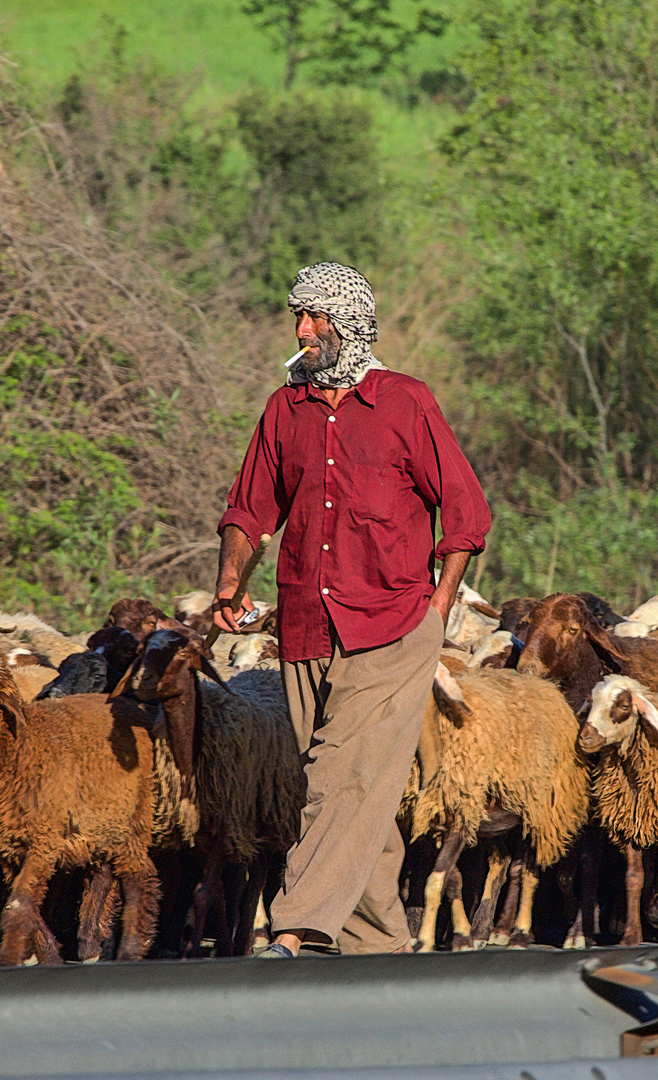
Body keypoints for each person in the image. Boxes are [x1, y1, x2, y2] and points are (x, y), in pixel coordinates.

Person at [213, 262, 491, 956]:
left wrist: (440, 606)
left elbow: (466, 512)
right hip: (307, 624)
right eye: (298, 318)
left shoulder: (405, 402)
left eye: (316, 318)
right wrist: (229, 581)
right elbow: (250, 508)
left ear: (351, 323)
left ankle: (296, 930)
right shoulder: (286, 409)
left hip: (393, 626)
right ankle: (381, 953)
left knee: (340, 777)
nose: (303, 331)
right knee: (345, 788)